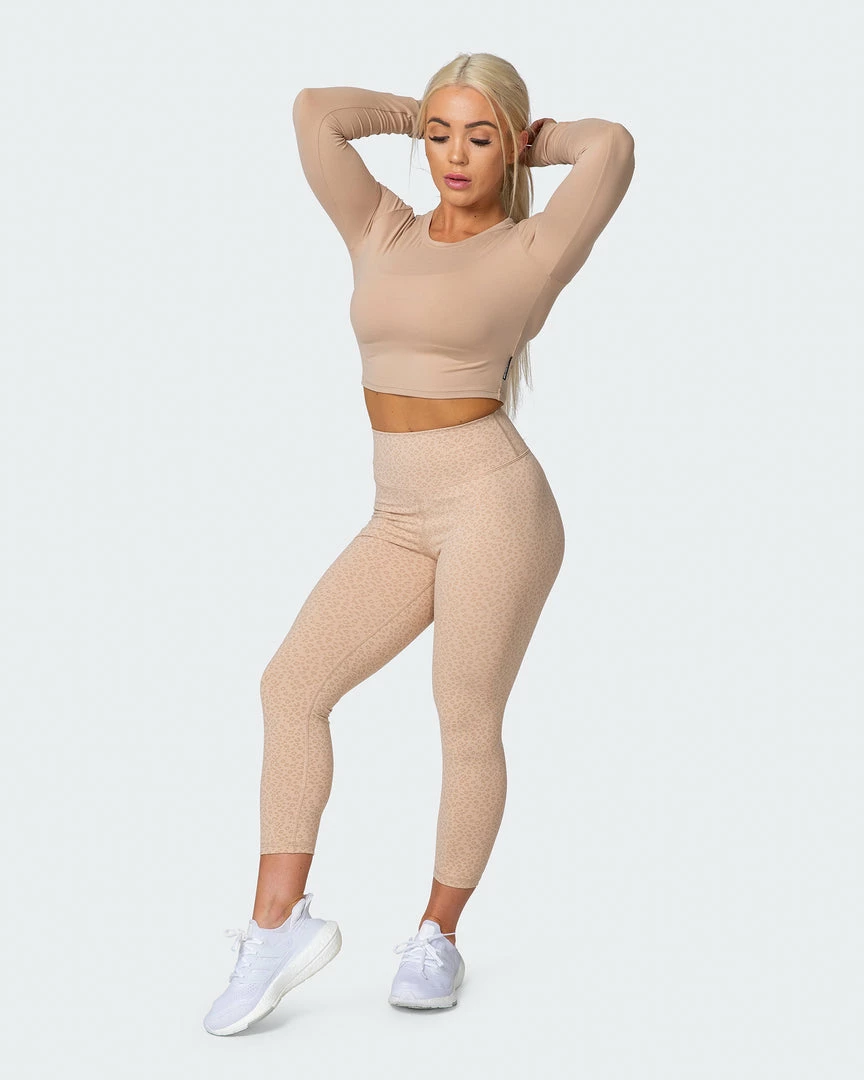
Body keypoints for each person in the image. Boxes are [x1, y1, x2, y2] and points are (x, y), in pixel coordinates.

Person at [203, 50, 635, 1035]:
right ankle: (275, 926)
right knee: (291, 687)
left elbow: (611, 147)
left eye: (479, 138)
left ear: (507, 147)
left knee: (463, 715)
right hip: (397, 514)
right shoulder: (382, 226)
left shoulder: (534, 247)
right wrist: (415, 109)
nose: (455, 154)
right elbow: (314, 113)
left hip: (493, 501)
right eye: (441, 135)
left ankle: (436, 935)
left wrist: (533, 139)